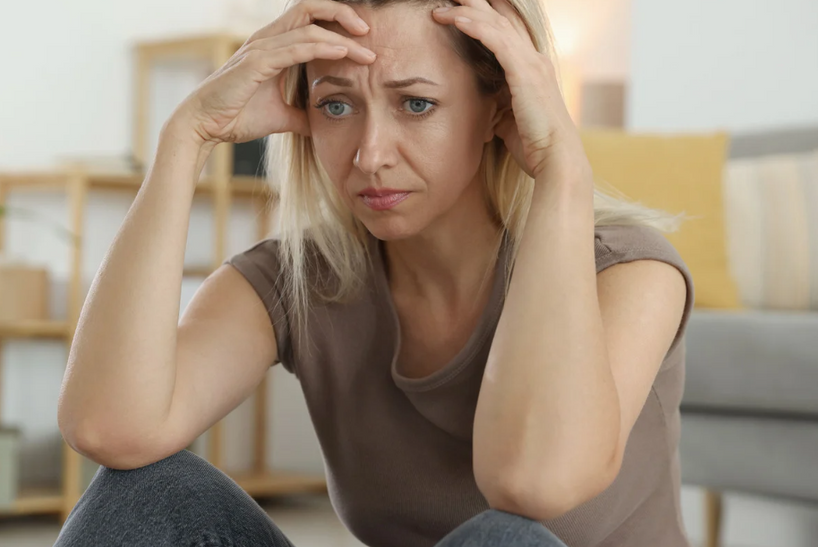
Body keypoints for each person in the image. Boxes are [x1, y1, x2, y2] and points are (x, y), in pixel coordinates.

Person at [54, 0, 694, 545]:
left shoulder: (627, 271)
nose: (370, 154)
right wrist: (185, 138)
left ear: (501, 108)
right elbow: (110, 427)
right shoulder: (299, 278)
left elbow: (534, 482)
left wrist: (562, 172)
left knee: (506, 539)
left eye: (415, 104)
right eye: (336, 107)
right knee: (152, 493)